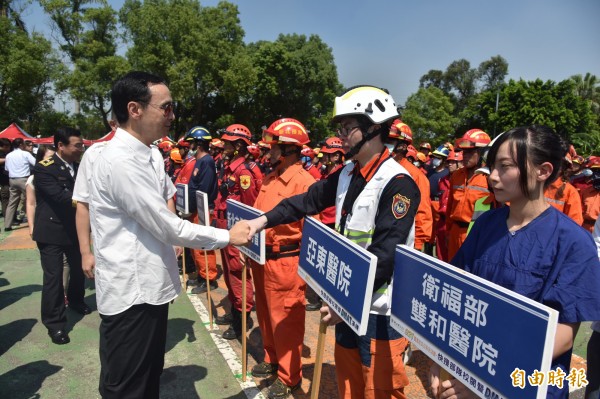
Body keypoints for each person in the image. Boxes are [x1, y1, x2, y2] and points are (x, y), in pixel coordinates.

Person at [247, 85, 420, 399]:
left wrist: (349, 302)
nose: (341, 135)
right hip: (347, 301)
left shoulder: (398, 183)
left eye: (348, 128)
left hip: (379, 310)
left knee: (379, 389)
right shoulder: (347, 174)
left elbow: (386, 255)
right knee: (350, 386)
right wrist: (260, 221)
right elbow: (302, 202)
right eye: (341, 128)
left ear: (374, 128)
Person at [87, 71, 250, 398]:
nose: (172, 116)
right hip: (132, 292)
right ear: (135, 109)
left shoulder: (147, 154)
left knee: (147, 378)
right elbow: (165, 225)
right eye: (166, 107)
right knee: (127, 386)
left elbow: (167, 204)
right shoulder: (119, 160)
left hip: (149, 284)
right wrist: (227, 237)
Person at [430, 125, 600, 399]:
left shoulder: (574, 243)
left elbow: (562, 336)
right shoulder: (487, 224)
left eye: (504, 166)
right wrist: (441, 359)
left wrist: (486, 381)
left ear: (543, 171)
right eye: (492, 166)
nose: (493, 177)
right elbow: (456, 296)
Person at [248, 117, 317, 398]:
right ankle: (272, 358)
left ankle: (289, 377)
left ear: (289, 149)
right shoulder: (271, 176)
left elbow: (312, 230)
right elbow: (256, 214)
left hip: (287, 261)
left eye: (274, 145)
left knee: (286, 321)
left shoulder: (305, 183)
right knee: (265, 313)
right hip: (262, 257)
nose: (269, 150)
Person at [32, 128, 88, 345]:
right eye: (77, 145)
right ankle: (54, 324)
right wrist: (87, 201)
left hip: (74, 229)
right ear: (61, 146)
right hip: (51, 232)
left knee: (78, 270)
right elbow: (60, 196)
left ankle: (76, 300)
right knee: (54, 279)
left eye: (81, 145)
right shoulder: (44, 168)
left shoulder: (80, 166)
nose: (80, 149)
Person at [384, 119, 433, 251]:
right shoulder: (381, 170)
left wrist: (416, 246)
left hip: (404, 242)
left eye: (390, 141)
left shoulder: (416, 176)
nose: (385, 145)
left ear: (402, 146)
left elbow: (423, 213)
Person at [183, 127, 220, 294]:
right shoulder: (200, 160)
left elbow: (203, 190)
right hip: (195, 209)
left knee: (203, 244)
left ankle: (209, 279)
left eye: (191, 143)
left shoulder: (207, 161)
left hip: (202, 208)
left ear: (198, 145)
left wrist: (193, 206)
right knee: (195, 244)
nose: (189, 146)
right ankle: (201, 273)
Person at [445, 129, 491, 260]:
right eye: (464, 152)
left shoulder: (490, 178)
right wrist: (448, 232)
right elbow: (450, 207)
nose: (465, 155)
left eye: (470, 152)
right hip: (454, 232)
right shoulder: (456, 176)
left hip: (477, 236)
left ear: (483, 153)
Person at [4, 138, 36, 231]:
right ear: (21, 145)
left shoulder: (9, 155)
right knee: (32, 200)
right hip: (24, 179)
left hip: (12, 179)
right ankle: (36, 221)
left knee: (12, 202)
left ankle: (7, 225)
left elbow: (7, 169)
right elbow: (35, 163)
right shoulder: (25, 154)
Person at [0, 138, 11, 218]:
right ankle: (7, 218)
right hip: (3, 181)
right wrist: (8, 159)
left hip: (7, 179)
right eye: (7, 147)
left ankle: (10, 218)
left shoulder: (7, 153)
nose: (8, 148)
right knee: (6, 200)